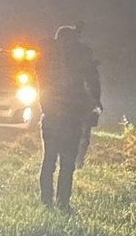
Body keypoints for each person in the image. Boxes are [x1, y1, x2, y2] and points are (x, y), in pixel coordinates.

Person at [37, 25, 95, 211]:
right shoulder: (77, 59)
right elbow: (90, 80)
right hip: (71, 118)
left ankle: (47, 201)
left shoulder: (46, 59)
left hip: (52, 117)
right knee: (67, 163)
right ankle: (62, 204)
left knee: (49, 161)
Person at [71, 21, 102, 168]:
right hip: (83, 101)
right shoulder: (85, 53)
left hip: (70, 100)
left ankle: (72, 160)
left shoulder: (66, 53)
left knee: (75, 131)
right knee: (83, 133)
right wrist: (96, 102)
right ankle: (77, 161)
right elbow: (92, 83)